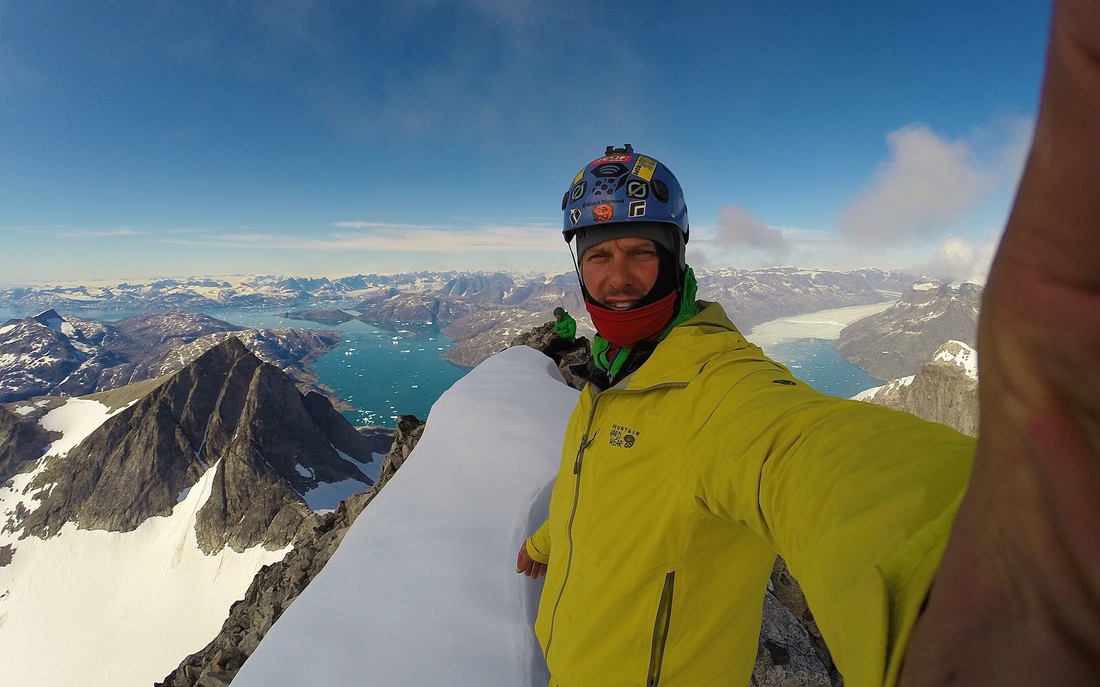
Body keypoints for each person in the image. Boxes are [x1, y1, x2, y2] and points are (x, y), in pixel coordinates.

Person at [517, 1, 1100, 684]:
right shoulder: (610, 376)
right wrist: (546, 539)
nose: (617, 278)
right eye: (599, 255)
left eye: (640, 253)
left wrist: (978, 561)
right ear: (578, 267)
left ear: (675, 259)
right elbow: (605, 495)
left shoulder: (714, 387)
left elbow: (799, 452)